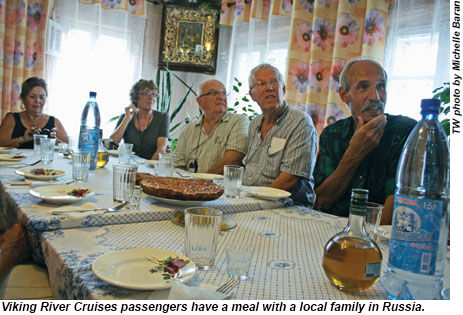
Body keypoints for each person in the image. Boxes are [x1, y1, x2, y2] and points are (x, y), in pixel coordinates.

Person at [313, 56, 416, 224]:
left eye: (381, 86)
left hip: (377, 238)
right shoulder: (332, 134)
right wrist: (354, 153)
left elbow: (398, 204)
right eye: (363, 87)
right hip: (330, 228)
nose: (376, 97)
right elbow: (321, 202)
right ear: (344, 95)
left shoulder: (404, 132)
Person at [242, 64, 318, 206]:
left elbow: (289, 180)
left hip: (286, 207)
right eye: (261, 84)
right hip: (250, 201)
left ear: (283, 89)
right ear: (252, 95)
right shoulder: (254, 123)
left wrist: (254, 204)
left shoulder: (300, 123)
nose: (269, 88)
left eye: (274, 82)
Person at [175, 79, 248, 174]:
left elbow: (233, 159)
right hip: (190, 186)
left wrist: (202, 185)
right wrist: (187, 184)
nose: (221, 97)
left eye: (224, 93)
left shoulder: (238, 121)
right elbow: (178, 164)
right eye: (214, 93)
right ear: (200, 101)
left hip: (222, 187)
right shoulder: (189, 129)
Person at [0, 77, 69, 148]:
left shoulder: (55, 122)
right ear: (23, 98)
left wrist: (56, 141)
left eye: (41, 97)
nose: (37, 101)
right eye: (32, 97)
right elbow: (1, 144)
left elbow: (68, 148)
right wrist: (23, 139)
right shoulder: (11, 119)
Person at [110, 79, 169, 160]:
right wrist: (127, 119)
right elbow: (112, 143)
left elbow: (161, 150)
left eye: (154, 94)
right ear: (135, 97)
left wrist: (147, 169)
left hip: (151, 167)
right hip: (129, 165)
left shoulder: (162, 117)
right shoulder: (126, 117)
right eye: (146, 93)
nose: (151, 97)